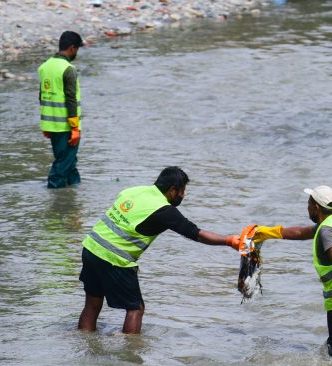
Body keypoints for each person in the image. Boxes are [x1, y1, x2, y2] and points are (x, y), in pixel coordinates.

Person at [78, 166, 241, 334]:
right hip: (115, 259)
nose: (183, 195)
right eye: (182, 191)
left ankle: (83, 340)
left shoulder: (134, 191)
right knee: (135, 308)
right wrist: (229, 241)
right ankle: (129, 349)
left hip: (90, 248)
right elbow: (196, 234)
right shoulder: (164, 210)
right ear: (172, 190)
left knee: (92, 302)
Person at [250, 185, 332, 358]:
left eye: (308, 203)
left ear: (316, 207)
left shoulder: (327, 231)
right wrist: (268, 232)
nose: (307, 206)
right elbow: (300, 232)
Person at [38, 31, 84, 188]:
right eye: (77, 49)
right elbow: (70, 99)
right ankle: (55, 191)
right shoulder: (68, 69)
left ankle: (75, 190)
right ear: (72, 48)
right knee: (63, 163)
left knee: (69, 162)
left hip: (51, 124)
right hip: (66, 126)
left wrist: (46, 126)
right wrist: (75, 128)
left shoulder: (45, 66)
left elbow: (42, 96)